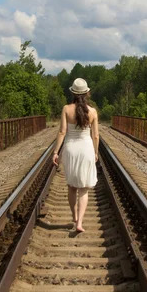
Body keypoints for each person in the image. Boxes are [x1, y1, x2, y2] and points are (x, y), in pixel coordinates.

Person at [52, 78, 99, 232]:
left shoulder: (66, 109)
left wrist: (55, 152)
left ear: (72, 92)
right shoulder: (92, 112)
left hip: (71, 148)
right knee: (84, 188)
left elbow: (62, 132)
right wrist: (96, 152)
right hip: (86, 149)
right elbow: (96, 136)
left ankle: (74, 216)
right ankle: (80, 223)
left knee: (72, 186)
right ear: (87, 93)